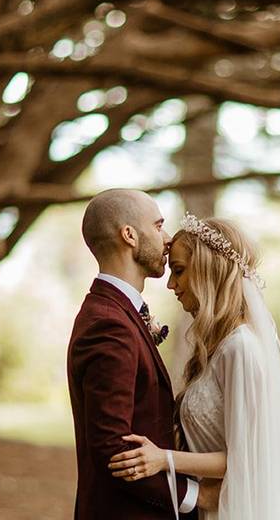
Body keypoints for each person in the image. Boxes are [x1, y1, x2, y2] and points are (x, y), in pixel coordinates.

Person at [107, 214, 280, 519]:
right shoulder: (218, 347)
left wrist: (163, 459)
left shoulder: (241, 348)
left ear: (209, 269)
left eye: (179, 271)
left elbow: (248, 457)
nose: (172, 284)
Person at [67, 190, 218, 519]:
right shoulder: (108, 324)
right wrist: (197, 497)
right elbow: (113, 449)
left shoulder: (117, 313)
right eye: (159, 225)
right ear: (129, 235)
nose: (167, 239)